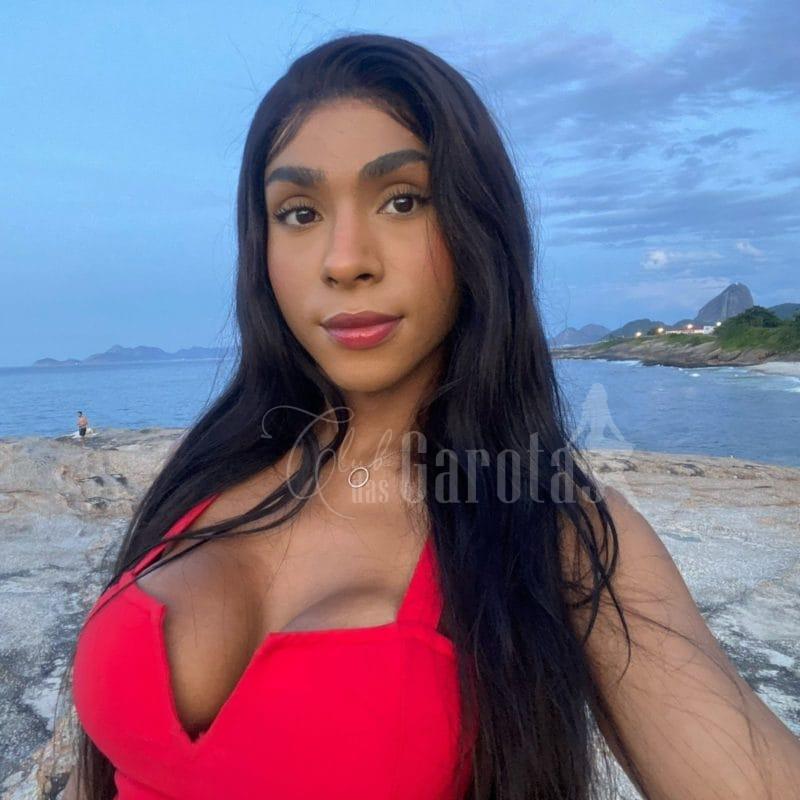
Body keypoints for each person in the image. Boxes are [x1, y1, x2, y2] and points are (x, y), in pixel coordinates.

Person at [63, 33, 800, 800]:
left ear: (479, 225)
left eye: (403, 200)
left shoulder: (554, 535)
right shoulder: (206, 474)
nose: (344, 260)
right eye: (300, 212)